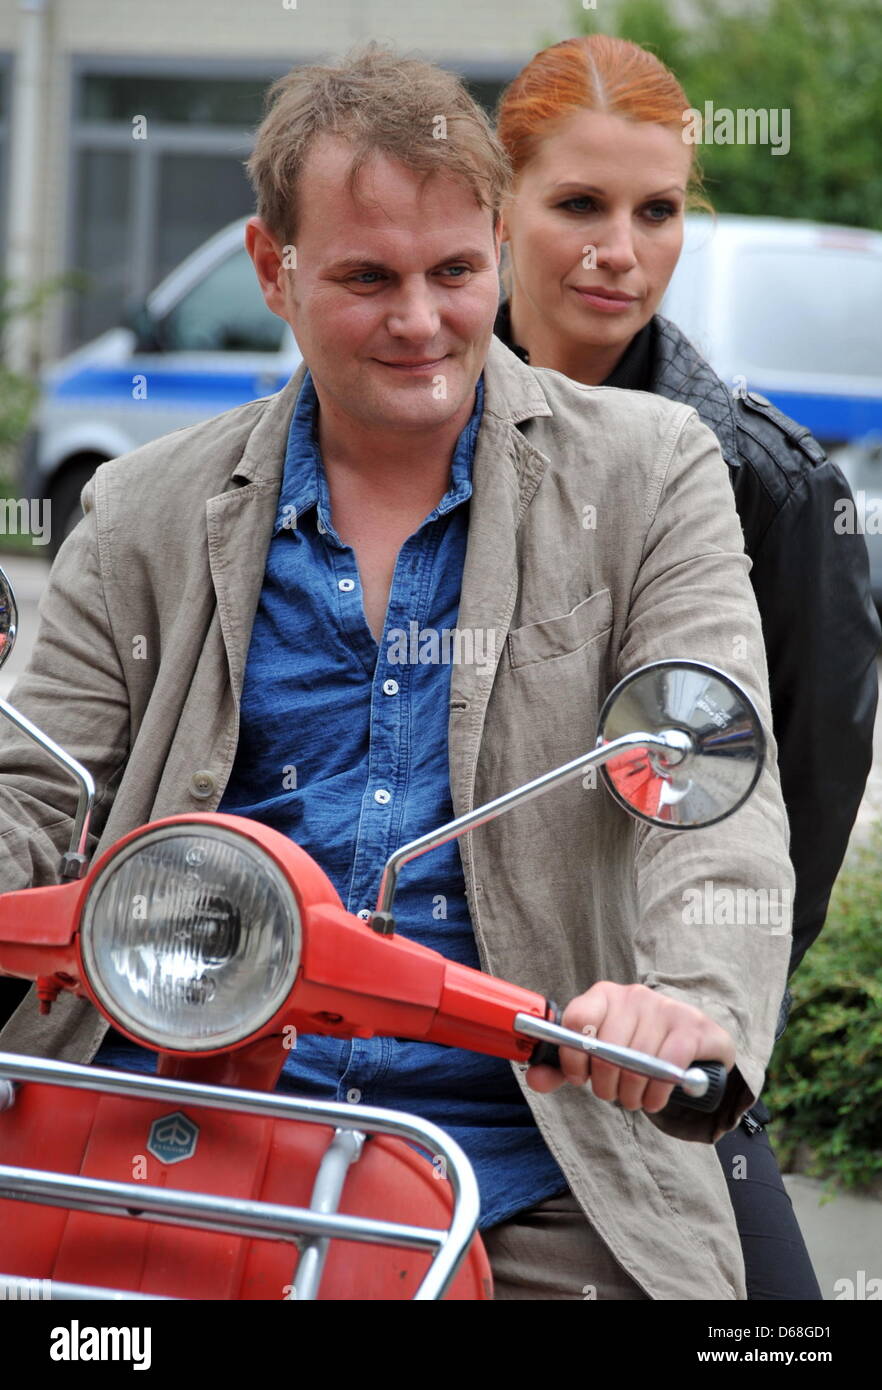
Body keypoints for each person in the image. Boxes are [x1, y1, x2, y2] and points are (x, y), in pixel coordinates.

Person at [0, 43, 795, 1300]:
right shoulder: (142, 506)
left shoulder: (652, 473)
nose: (421, 321)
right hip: (170, 1133)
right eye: (368, 277)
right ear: (275, 269)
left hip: (535, 1154)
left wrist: (684, 1005)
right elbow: (30, 803)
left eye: (455, 272)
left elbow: (714, 778)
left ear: (493, 241)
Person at [492, 32, 881, 1299]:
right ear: (501, 207)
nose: (621, 248)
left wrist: (698, 1004)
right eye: (580, 205)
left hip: (642, 1029)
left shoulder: (768, 483)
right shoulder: (398, 410)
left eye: (657, 210)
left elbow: (802, 807)